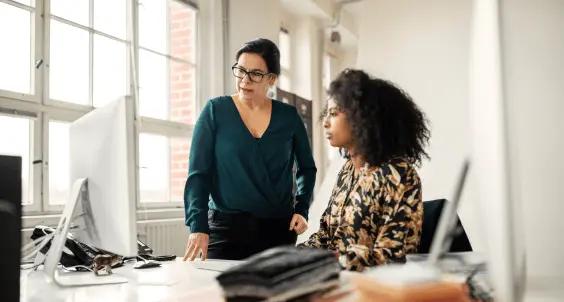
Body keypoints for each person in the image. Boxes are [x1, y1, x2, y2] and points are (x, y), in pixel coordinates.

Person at [183, 38, 317, 261]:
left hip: (278, 232)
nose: (245, 80)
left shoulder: (289, 117)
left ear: (271, 79)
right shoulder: (215, 111)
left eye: (255, 73)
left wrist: (301, 209)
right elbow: (198, 174)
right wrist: (197, 225)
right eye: (241, 71)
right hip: (224, 230)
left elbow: (306, 168)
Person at [299, 69, 430, 272]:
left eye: (333, 114)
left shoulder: (398, 174)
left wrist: (330, 262)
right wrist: (290, 258)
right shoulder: (347, 170)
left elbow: (394, 255)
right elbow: (325, 236)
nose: (325, 122)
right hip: (333, 282)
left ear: (362, 118)